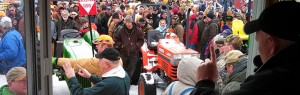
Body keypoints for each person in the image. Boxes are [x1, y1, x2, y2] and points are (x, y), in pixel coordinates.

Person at [191, 1, 300, 95]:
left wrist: (204, 83)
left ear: (271, 44)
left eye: (258, 42)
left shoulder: (267, 85)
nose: (258, 50)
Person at [63, 48, 130, 95]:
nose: (98, 62)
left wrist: (72, 78)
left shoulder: (110, 84)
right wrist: (90, 76)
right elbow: (105, 84)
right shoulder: (123, 75)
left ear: (107, 64)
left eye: (100, 59)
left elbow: (80, 94)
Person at [53, 35, 122, 76]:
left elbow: (76, 63)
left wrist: (56, 60)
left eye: (98, 44)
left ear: (105, 46)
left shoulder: (98, 61)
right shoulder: (118, 59)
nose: (96, 46)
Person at [115, 15, 144, 81]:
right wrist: (121, 45)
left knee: (131, 70)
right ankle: (124, 82)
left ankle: (127, 81)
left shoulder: (138, 30)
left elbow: (141, 40)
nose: (127, 24)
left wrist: (136, 45)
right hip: (123, 53)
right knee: (122, 68)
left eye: (129, 22)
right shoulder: (121, 30)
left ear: (132, 22)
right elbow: (117, 39)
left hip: (133, 54)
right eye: (126, 22)